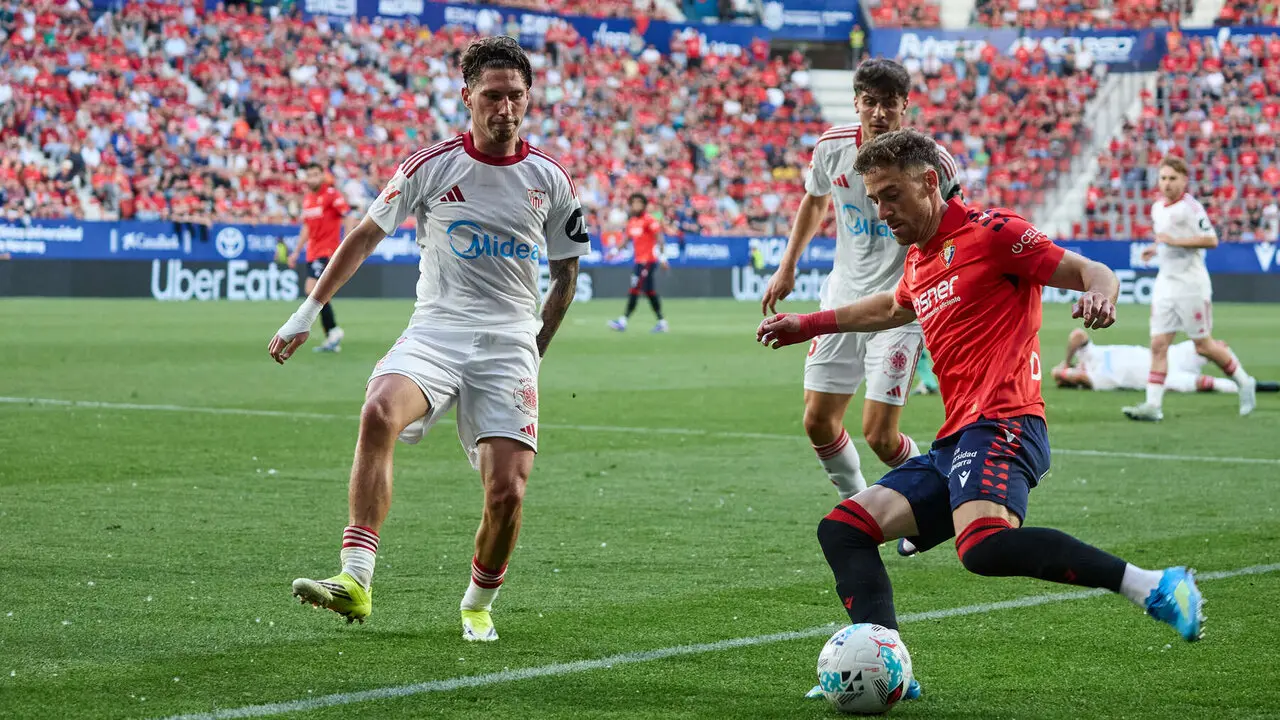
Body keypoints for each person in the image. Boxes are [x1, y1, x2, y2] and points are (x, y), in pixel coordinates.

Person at [757, 130, 1204, 697]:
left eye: (890, 195)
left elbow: (1092, 270)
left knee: (984, 546)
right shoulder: (920, 262)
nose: (880, 210)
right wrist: (809, 323)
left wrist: (1102, 296)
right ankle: (890, 664)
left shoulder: (994, 234)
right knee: (844, 529)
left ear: (927, 182)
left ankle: (1157, 587)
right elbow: (890, 309)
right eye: (873, 198)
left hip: (1007, 423)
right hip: (957, 439)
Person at [268, 37, 590, 642]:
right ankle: (355, 579)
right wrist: (307, 311)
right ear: (467, 96)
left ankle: (476, 603)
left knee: (507, 494)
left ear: (529, 99)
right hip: (437, 329)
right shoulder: (431, 166)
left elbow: (566, 276)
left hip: (510, 342)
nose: (505, 109)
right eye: (492, 96)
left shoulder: (551, 179)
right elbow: (364, 235)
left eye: (516, 97)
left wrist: (532, 350)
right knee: (378, 411)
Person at [760, 58, 962, 558]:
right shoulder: (831, 147)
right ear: (856, 103)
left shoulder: (933, 161)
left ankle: (935, 506)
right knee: (818, 421)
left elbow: (956, 228)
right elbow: (814, 202)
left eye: (887, 104)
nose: (877, 113)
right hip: (841, 296)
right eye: (868, 102)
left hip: (899, 307)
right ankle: (860, 508)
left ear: (904, 108)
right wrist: (788, 267)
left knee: (880, 435)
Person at [1123, 155, 1257, 421]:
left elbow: (1211, 240)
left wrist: (1174, 240)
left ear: (1184, 180)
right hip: (1165, 284)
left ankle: (1244, 382)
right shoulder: (1157, 208)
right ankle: (1153, 405)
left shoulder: (1191, 208)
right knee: (1159, 344)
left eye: (1173, 178)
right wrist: (1157, 247)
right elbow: (1166, 238)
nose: (1167, 183)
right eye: (1163, 178)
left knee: (1203, 346)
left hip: (1191, 285)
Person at [1053, 328, 1278, 394]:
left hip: (1168, 355)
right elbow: (1073, 376)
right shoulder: (1099, 379)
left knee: (1217, 347)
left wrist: (1065, 362)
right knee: (1204, 384)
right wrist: (1063, 374)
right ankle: (1252, 386)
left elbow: (1076, 335)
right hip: (1162, 377)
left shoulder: (1091, 354)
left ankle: (1244, 378)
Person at [288, 163, 352, 353]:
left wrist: (347, 242)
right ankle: (332, 332)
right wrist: (296, 251)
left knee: (312, 289)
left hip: (327, 251)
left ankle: (332, 331)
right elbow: (307, 227)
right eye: (309, 175)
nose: (312, 178)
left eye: (316, 175)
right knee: (319, 293)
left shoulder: (331, 194)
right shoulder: (308, 199)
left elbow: (348, 216)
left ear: (322, 176)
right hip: (312, 252)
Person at [609, 193, 669, 333]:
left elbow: (659, 238)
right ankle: (662, 322)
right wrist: (613, 252)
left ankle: (623, 321)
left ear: (644, 205)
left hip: (648, 261)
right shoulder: (632, 222)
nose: (636, 206)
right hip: (638, 261)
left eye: (639, 203)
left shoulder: (649, 220)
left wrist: (663, 257)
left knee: (635, 289)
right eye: (634, 203)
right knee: (649, 291)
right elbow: (625, 241)